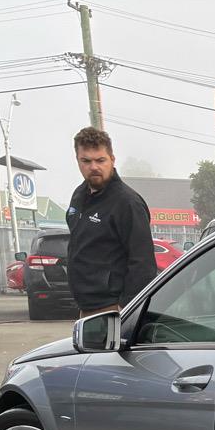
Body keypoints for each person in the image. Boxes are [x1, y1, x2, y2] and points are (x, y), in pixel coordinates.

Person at [65, 126, 156, 318]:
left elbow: (143, 264)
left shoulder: (127, 203)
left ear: (112, 159)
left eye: (100, 160)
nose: (93, 167)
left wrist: (126, 309)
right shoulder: (79, 196)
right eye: (86, 161)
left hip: (112, 309)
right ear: (77, 160)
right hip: (85, 307)